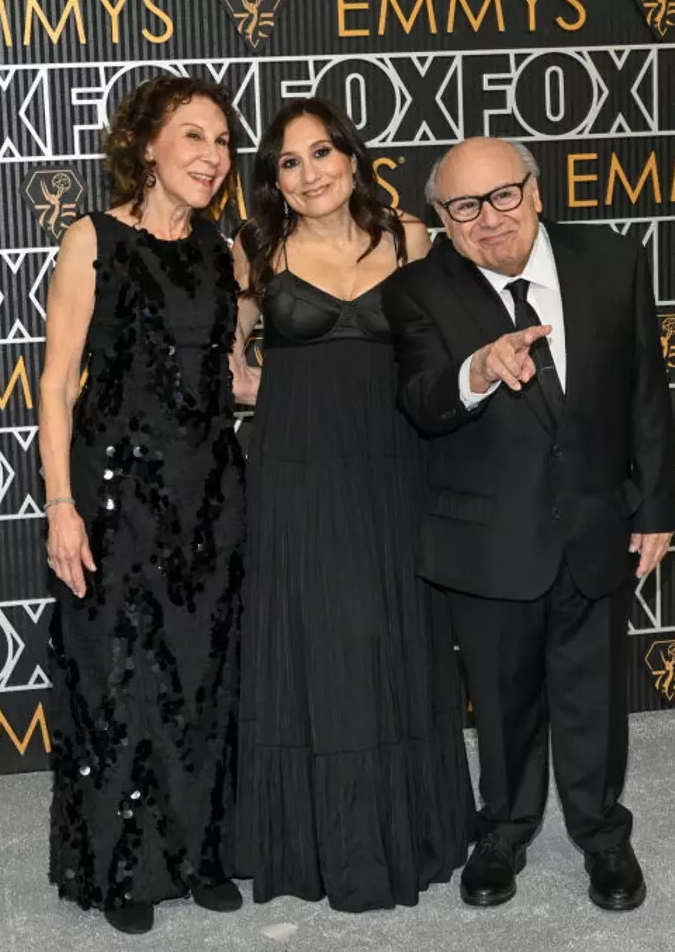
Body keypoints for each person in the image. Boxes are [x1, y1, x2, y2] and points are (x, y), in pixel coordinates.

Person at [381, 137, 675, 911]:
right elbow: (419, 401)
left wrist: (653, 508)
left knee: (594, 697)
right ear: (441, 219)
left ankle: (603, 835)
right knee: (504, 701)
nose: (489, 221)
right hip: (487, 539)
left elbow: (647, 390)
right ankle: (504, 832)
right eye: (464, 208)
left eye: (504, 196)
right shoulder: (416, 290)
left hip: (594, 526)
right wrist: (476, 372)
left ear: (536, 192)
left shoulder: (612, 262)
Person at [225, 97, 474, 912]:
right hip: (297, 470)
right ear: (274, 181)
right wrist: (253, 384)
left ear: (354, 158)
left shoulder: (410, 237)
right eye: (288, 163)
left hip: (395, 461)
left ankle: (401, 828)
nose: (308, 174)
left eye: (322, 153)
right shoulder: (256, 249)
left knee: (391, 631)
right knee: (317, 640)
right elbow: (224, 356)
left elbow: (448, 345)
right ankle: (319, 841)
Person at [37, 76, 247, 936]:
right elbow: (55, 386)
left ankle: (199, 854)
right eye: (193, 136)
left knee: (201, 674)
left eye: (224, 141)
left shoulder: (225, 252)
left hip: (210, 493)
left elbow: (233, 379)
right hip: (112, 491)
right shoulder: (92, 239)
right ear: (148, 146)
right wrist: (60, 503)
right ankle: (124, 862)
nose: (212, 156)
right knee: (119, 677)